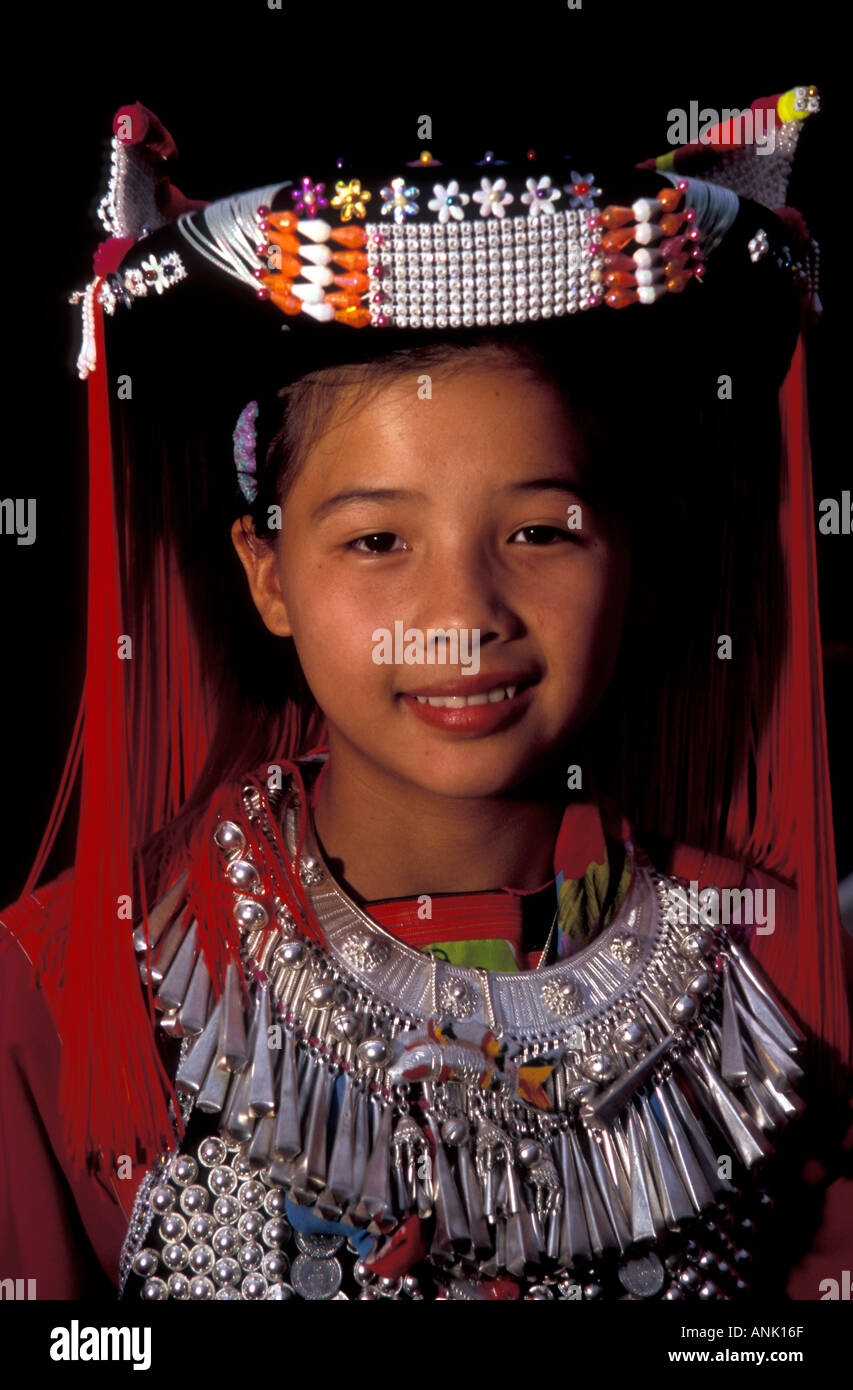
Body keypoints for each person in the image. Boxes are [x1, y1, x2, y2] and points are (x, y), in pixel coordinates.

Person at [1, 86, 849, 1302]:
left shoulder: (782, 974)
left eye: (541, 533)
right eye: (376, 542)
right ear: (266, 572)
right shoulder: (64, 991)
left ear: (633, 558)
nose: (465, 614)